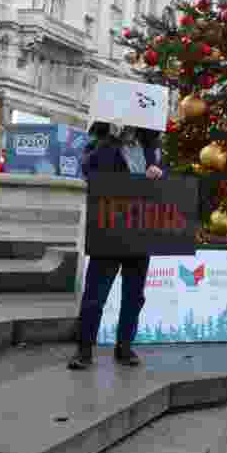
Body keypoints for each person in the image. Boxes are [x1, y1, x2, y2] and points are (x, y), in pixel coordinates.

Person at [68, 121, 164, 370]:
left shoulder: (151, 148)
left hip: (140, 230)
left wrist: (158, 173)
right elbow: (89, 170)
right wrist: (111, 138)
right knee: (95, 295)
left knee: (134, 296)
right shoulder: (100, 143)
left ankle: (124, 347)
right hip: (109, 230)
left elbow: (163, 185)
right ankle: (84, 350)